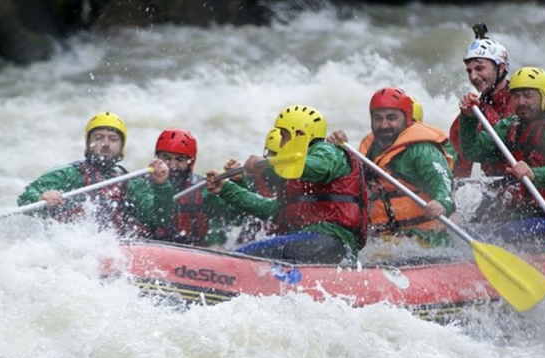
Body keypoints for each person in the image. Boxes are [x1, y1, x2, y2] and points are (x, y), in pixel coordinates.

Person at [205, 105, 368, 264]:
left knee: (238, 258)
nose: (281, 144)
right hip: (310, 241)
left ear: (300, 134)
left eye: (284, 136)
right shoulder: (294, 170)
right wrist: (226, 188)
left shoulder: (328, 151)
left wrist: (268, 163)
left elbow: (320, 167)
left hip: (332, 240)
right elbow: (273, 210)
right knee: (246, 253)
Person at [457, 66, 545, 235]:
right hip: (518, 211)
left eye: (528, 95)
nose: (521, 102)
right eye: (516, 96)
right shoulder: (509, 126)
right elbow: (472, 152)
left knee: (504, 234)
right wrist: (468, 118)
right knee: (470, 230)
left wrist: (534, 174)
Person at [329, 87, 455, 247]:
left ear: (407, 119)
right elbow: (350, 179)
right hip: (384, 237)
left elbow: (442, 181)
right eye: (377, 118)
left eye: (392, 117)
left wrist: (442, 203)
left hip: (425, 238)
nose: (384, 125)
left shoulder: (422, 150)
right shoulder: (370, 148)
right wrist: (337, 150)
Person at [17, 111, 174, 237]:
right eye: (98, 138)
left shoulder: (131, 181)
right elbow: (25, 198)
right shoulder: (69, 173)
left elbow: (156, 220)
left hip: (118, 251)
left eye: (113, 139)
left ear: (121, 147)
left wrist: (161, 186)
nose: (105, 143)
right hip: (75, 249)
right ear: (88, 144)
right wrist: (42, 197)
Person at [150, 128, 243, 247]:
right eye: (166, 158)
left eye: (180, 160)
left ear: (190, 162)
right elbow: (151, 219)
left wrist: (238, 184)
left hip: (195, 256)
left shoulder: (203, 188)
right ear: (156, 158)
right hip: (153, 251)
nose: (172, 166)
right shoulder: (142, 185)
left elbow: (235, 218)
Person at [449, 23, 513, 178]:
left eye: (479, 68)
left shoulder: (521, 101)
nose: (473, 77)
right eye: (469, 71)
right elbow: (460, 157)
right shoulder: (473, 111)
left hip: (528, 182)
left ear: (501, 67)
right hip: (496, 185)